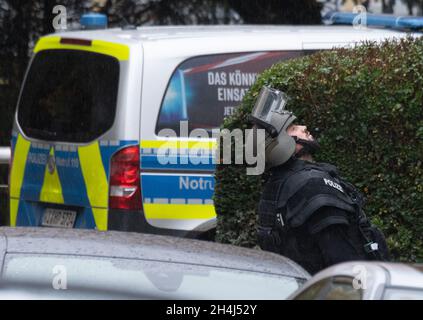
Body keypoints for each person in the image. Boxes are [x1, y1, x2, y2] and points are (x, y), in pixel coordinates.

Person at [248, 86, 390, 275]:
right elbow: (343, 261)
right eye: (293, 128)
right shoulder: (313, 186)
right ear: (280, 144)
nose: (303, 128)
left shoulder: (277, 185)